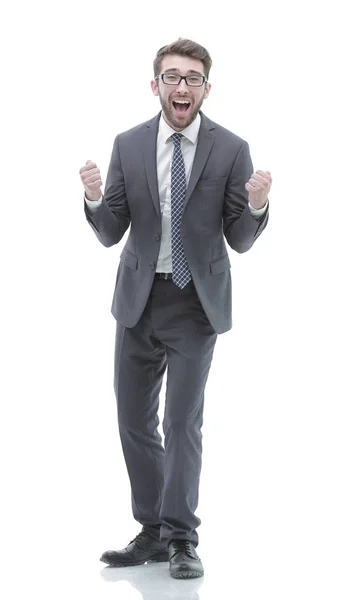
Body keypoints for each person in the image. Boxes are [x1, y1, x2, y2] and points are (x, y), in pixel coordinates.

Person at [79, 38, 271, 580]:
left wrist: (255, 207)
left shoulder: (231, 149)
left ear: (206, 88)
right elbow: (112, 230)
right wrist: (95, 199)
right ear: (156, 84)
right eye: (172, 76)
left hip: (194, 305)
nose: (181, 86)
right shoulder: (130, 145)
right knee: (132, 419)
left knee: (181, 421)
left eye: (192, 78)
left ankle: (183, 537)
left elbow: (239, 238)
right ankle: (153, 531)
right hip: (138, 302)